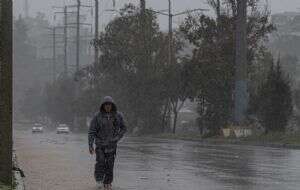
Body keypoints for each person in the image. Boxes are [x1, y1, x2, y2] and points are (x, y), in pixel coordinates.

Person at [88, 96, 127, 190]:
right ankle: (99, 180)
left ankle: (108, 183)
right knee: (100, 162)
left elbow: (124, 128)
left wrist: (117, 137)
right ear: (103, 106)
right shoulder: (97, 116)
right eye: (106, 105)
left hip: (112, 145)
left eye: (109, 105)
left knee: (110, 165)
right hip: (100, 144)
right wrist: (90, 145)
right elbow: (91, 131)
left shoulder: (118, 115)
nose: (108, 107)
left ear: (112, 105)